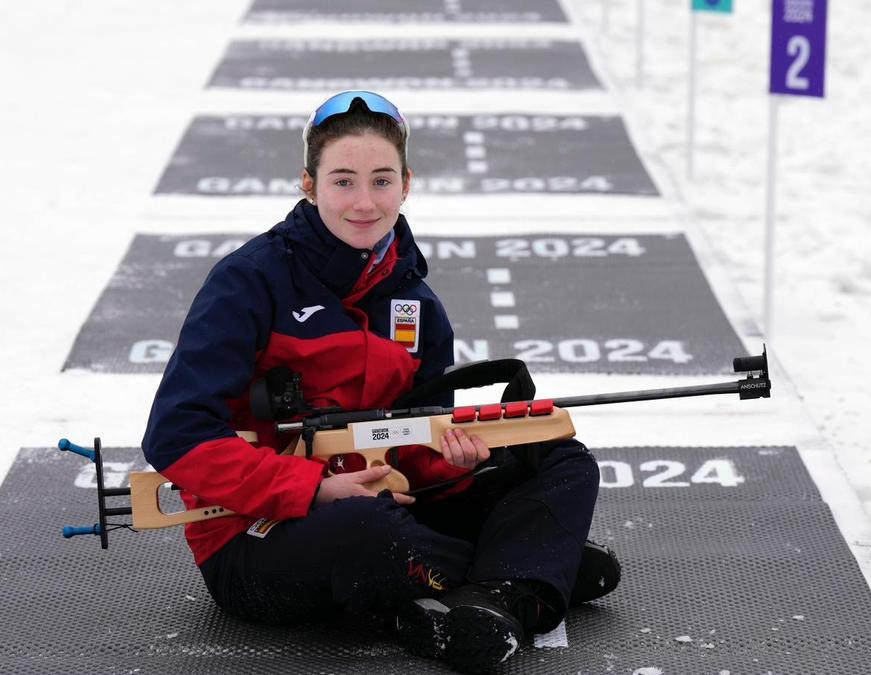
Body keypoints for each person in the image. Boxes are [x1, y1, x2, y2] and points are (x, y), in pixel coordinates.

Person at [141, 91, 618, 672]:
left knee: (559, 457)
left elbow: (416, 450)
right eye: (343, 181)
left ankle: (498, 596)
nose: (364, 202)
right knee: (363, 528)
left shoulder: (419, 305)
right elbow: (177, 436)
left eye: (381, 180)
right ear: (309, 185)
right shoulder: (247, 283)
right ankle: (532, 569)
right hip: (259, 537)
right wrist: (313, 488)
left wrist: (454, 461)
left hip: (391, 504)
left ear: (406, 184)